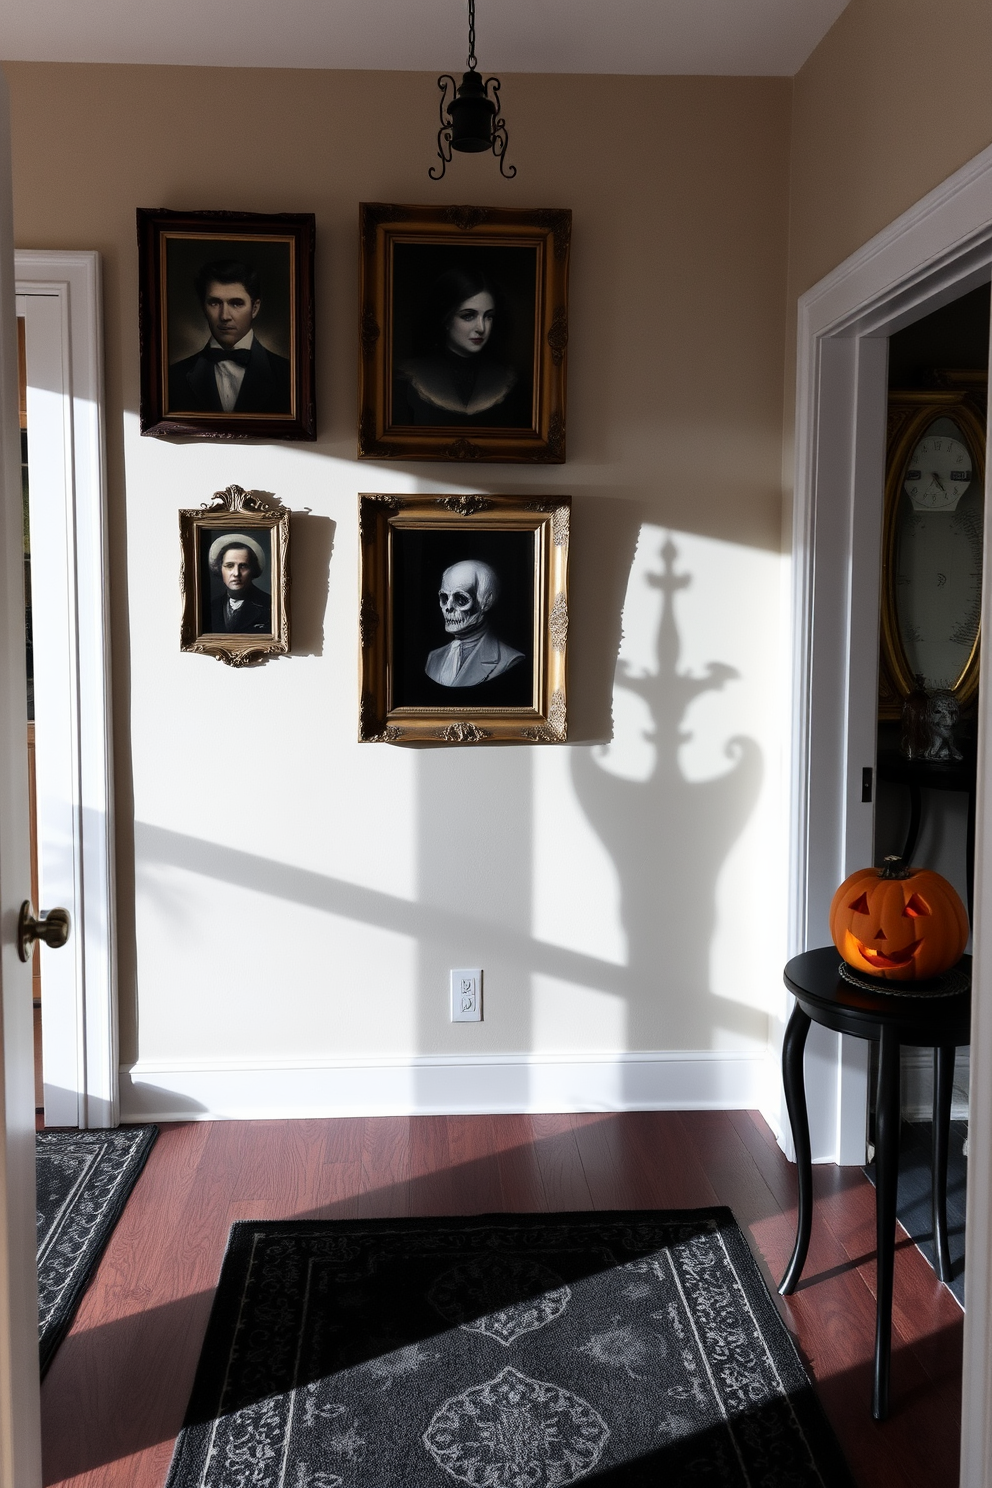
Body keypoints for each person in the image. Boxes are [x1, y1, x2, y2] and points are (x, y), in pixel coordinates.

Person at [393, 267, 527, 427]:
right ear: (446, 318)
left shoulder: (510, 384)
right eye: (468, 316)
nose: (481, 328)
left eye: (488, 317)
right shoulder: (407, 381)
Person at [168, 259, 292, 415]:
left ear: (254, 308)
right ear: (203, 307)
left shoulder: (289, 376)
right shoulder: (173, 378)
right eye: (214, 303)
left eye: (236, 303)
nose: (224, 316)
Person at [425, 559, 523, 687]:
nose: (448, 607)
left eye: (461, 599)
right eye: (444, 598)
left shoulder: (510, 661)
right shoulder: (433, 658)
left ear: (486, 603)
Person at [207, 534, 271, 634]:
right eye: (229, 565)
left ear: (252, 570)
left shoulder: (269, 605)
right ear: (220, 569)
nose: (236, 573)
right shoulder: (211, 607)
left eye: (243, 566)